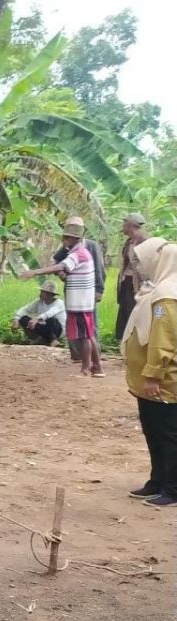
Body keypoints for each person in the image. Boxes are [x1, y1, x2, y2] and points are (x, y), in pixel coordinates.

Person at [121, 237, 177, 507]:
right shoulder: (156, 291)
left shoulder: (167, 294)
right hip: (150, 382)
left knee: (167, 435)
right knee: (154, 432)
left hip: (164, 382)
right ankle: (157, 481)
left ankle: (172, 489)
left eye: (143, 262)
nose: (140, 268)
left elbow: (162, 340)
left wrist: (154, 374)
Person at [21, 218, 105, 377]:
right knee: (88, 334)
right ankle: (97, 367)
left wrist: (35, 272)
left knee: (85, 336)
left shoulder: (79, 254)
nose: (64, 240)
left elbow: (61, 266)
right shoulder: (76, 252)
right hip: (81, 302)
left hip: (81, 303)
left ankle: (86, 368)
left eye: (67, 238)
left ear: (75, 239)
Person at [50, 216, 106, 362]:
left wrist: (99, 290)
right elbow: (56, 262)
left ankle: (94, 357)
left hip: (87, 291)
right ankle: (76, 355)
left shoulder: (90, 246)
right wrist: (62, 274)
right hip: (72, 290)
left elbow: (99, 269)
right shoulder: (67, 247)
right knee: (73, 322)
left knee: (89, 324)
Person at [116, 213, 148, 342]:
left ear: (130, 226)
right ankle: (125, 342)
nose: (122, 227)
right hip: (126, 282)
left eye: (124, 224)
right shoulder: (128, 242)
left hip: (137, 285)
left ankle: (135, 342)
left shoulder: (145, 243)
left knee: (133, 313)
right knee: (124, 312)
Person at [11, 281, 66, 345]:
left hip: (57, 330)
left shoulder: (59, 303)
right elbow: (26, 309)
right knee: (24, 319)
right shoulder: (39, 301)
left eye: (43, 292)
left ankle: (53, 340)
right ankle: (37, 338)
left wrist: (37, 319)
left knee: (52, 320)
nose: (40, 293)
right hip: (44, 326)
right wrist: (16, 318)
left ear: (49, 294)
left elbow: (49, 313)